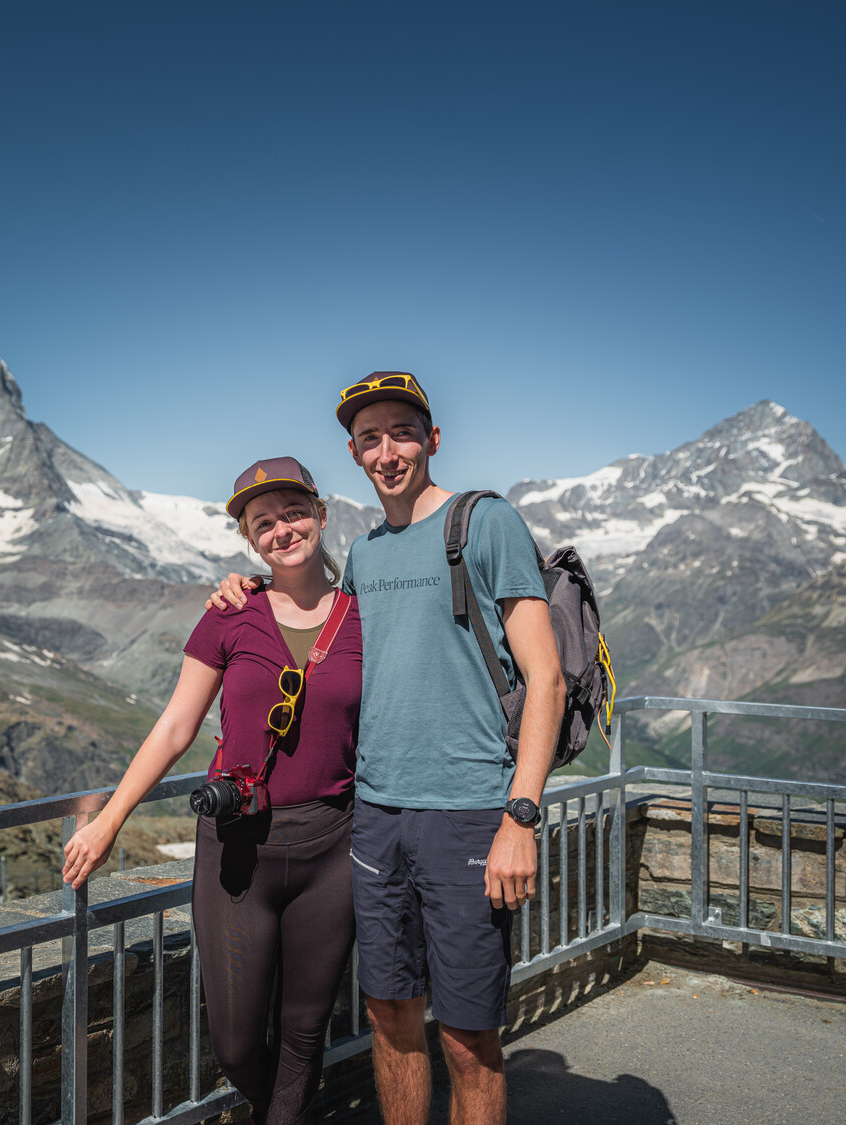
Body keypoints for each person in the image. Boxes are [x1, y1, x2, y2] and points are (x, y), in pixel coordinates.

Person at [211, 374, 563, 1125]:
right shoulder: (364, 557)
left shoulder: (485, 523)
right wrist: (238, 586)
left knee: (469, 1039)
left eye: (402, 432)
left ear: (432, 440)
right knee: (391, 1015)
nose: (387, 450)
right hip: (374, 817)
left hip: (470, 813)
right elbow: (304, 612)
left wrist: (521, 816)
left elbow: (548, 678)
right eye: (370, 438)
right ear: (353, 452)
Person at [63, 456, 362, 1125]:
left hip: (334, 845)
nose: (282, 530)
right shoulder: (230, 614)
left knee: (305, 1030)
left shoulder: (362, 617)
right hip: (239, 848)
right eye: (264, 522)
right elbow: (174, 727)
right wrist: (109, 820)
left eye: (292, 512)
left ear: (320, 514)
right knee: (233, 1039)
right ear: (250, 541)